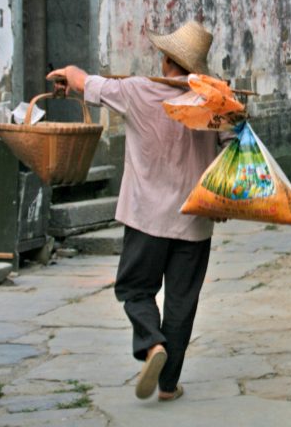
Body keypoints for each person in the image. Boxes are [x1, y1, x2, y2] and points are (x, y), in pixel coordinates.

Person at [47, 20, 226, 403]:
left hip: (146, 217)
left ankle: (151, 342)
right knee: (182, 302)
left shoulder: (136, 91)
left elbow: (85, 82)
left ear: (165, 61)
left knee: (134, 289)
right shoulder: (215, 99)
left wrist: (66, 76)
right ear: (197, 67)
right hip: (194, 221)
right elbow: (233, 148)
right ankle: (168, 385)